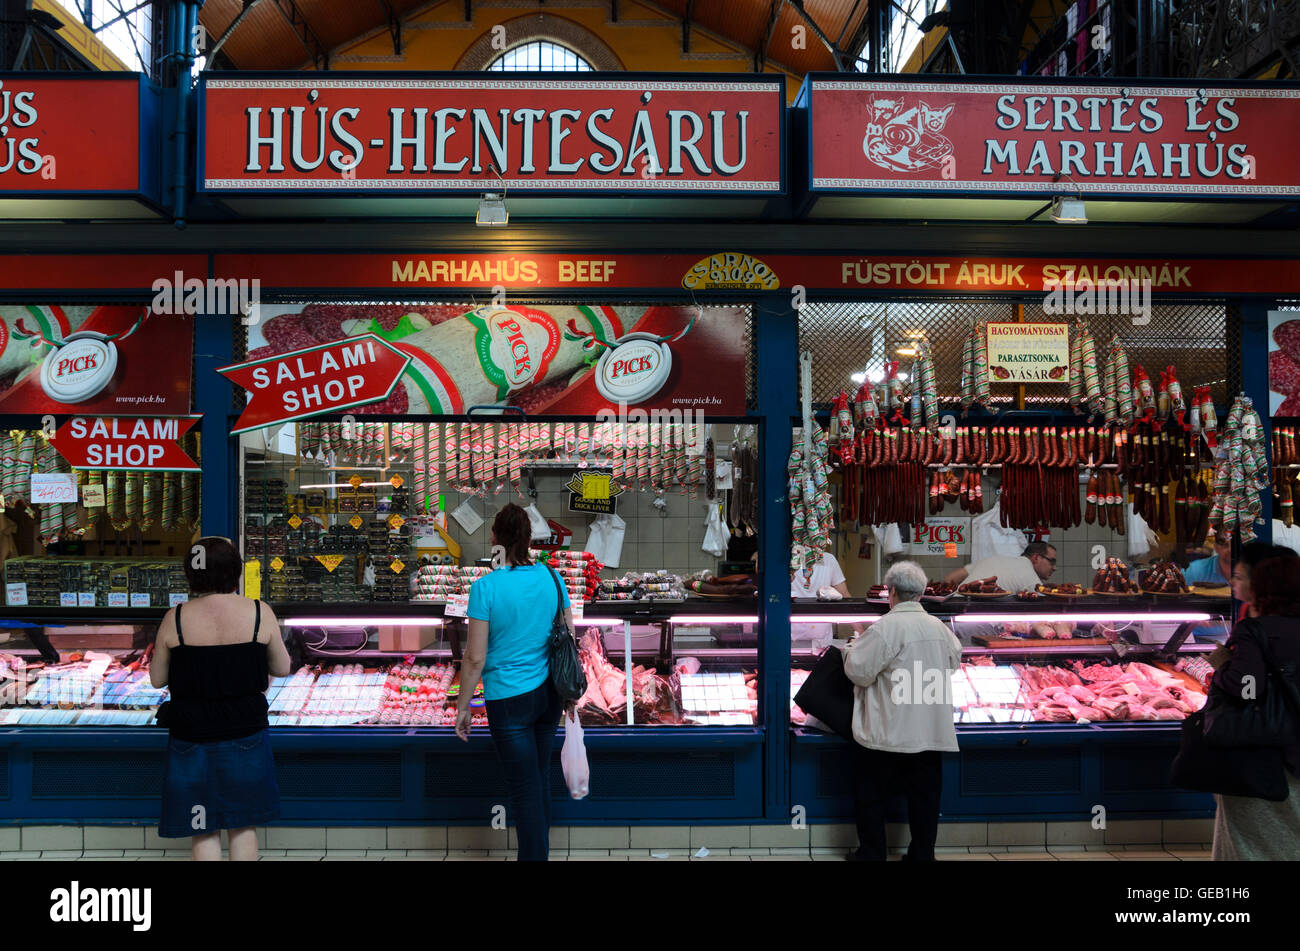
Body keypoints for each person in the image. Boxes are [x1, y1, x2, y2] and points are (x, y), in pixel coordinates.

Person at [150, 537, 290, 861]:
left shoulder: (176, 617)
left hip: (190, 736)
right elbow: (282, 667)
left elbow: (158, 679)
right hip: (246, 732)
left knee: (201, 825)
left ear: (191, 573)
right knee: (242, 825)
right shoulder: (258, 611)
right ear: (235, 571)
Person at [458, 503, 573, 862]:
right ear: (527, 538)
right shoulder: (553, 577)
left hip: (508, 701)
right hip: (548, 695)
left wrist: (463, 707)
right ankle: (541, 852)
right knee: (538, 780)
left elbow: (475, 657)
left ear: (495, 538)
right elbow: (569, 632)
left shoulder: (485, 588)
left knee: (525, 789)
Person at [842, 560, 962, 861]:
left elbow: (859, 673)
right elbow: (954, 664)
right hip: (929, 732)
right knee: (925, 800)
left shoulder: (885, 628)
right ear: (921, 595)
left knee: (871, 798)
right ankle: (922, 855)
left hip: (887, 731)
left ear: (891, 592)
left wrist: (849, 650)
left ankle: (872, 854)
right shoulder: (940, 628)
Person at [1209, 555, 1300, 860]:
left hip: (1264, 752)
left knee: (1252, 843)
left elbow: (1248, 686)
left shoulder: (1255, 629)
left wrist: (1222, 668)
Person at [790, 548, 851, 647]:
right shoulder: (785, 560)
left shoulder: (829, 559)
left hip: (822, 641)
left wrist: (861, 633)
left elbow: (845, 596)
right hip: (790, 638)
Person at [945, 541, 1057, 593]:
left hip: (951, 615)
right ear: (1036, 558)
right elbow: (1044, 610)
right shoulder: (1030, 578)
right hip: (978, 621)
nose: (1054, 568)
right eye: (1051, 561)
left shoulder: (994, 559)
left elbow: (950, 578)